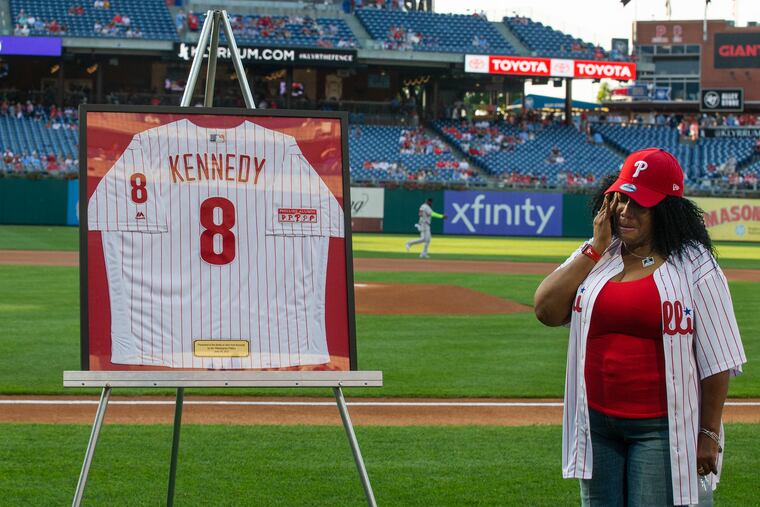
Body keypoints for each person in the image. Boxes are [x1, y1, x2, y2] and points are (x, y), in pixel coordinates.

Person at [533, 148, 746, 506]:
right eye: (620, 199)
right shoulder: (600, 253)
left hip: (661, 430)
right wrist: (596, 247)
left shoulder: (695, 263)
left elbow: (719, 359)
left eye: (639, 204)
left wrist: (708, 434)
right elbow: (546, 309)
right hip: (596, 426)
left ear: (665, 210)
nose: (624, 212)